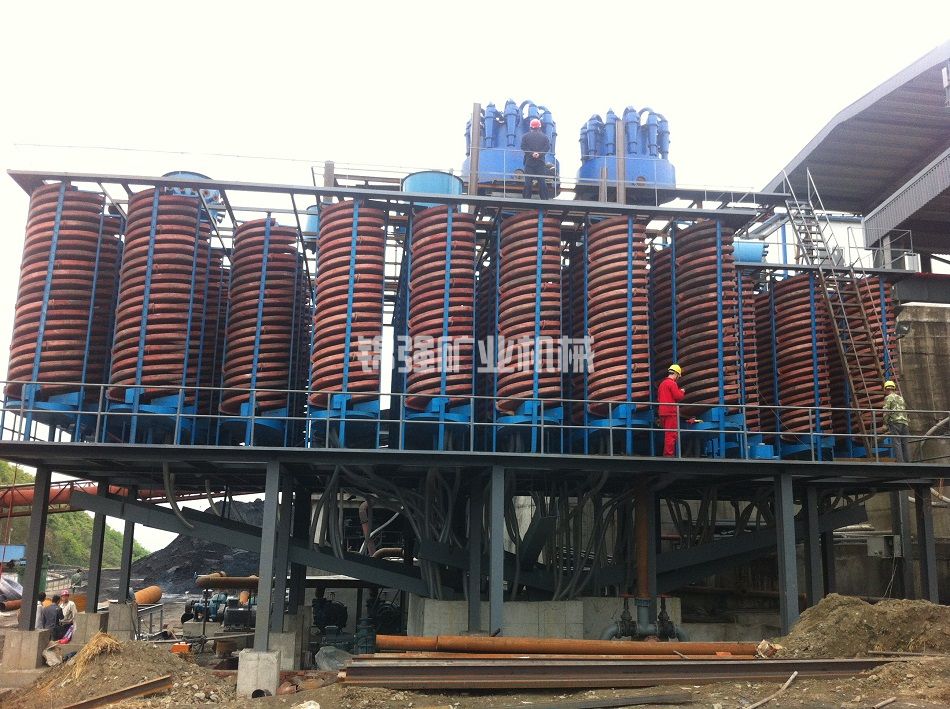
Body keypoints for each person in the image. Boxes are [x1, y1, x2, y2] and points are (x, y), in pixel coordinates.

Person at [657, 364, 686, 457]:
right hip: (670, 413)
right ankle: (668, 455)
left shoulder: (662, 384)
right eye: (678, 376)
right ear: (676, 374)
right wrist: (682, 391)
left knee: (667, 434)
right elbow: (678, 396)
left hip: (662, 412)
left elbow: (659, 398)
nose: (678, 378)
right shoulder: (672, 383)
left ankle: (667, 454)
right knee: (671, 434)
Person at [520, 118, 551, 200]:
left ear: (531, 127)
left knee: (528, 181)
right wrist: (539, 154)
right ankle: (545, 199)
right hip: (540, 162)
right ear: (539, 127)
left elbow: (523, 147)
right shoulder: (545, 137)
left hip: (529, 162)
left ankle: (526, 199)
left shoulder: (525, 136)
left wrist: (531, 153)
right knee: (542, 181)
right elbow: (547, 147)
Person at [883, 380, 910, 463]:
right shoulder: (901, 398)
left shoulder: (888, 397)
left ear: (886, 389)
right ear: (894, 388)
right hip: (905, 423)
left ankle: (900, 462)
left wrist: (885, 424)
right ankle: (907, 462)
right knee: (905, 443)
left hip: (895, 422)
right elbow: (906, 410)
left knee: (897, 442)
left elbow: (886, 411)